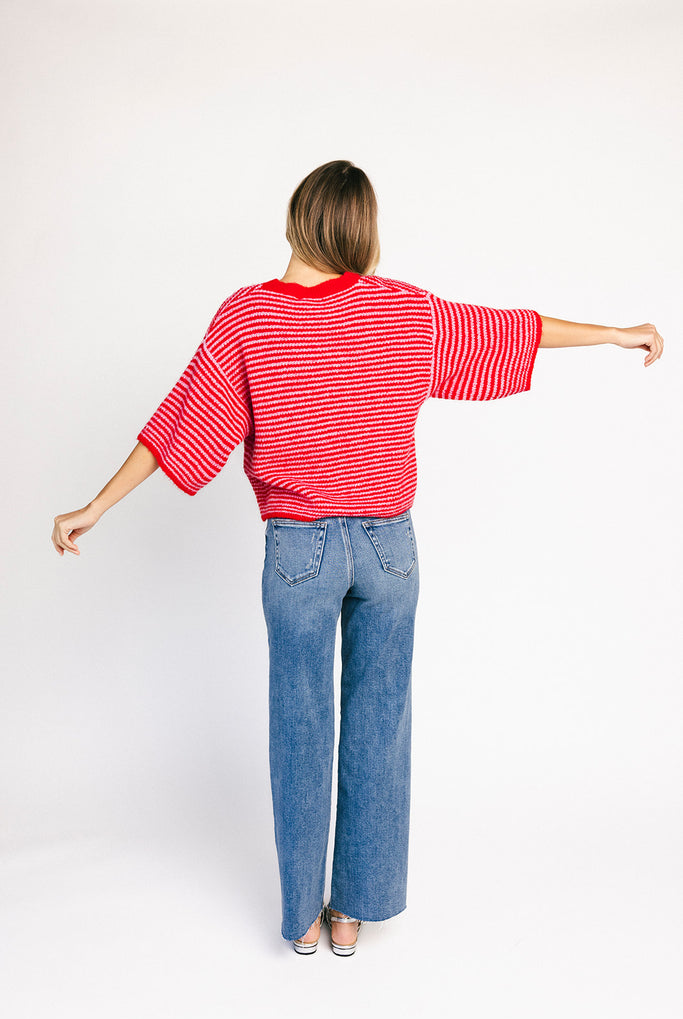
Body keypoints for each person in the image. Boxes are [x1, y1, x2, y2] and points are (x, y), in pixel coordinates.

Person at [51, 159, 664, 956]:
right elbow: (514, 329)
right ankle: (352, 913)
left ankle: (303, 918)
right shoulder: (403, 309)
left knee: (299, 731)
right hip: (389, 549)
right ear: (362, 230)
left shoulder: (247, 317)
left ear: (296, 218)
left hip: (298, 552)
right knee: (380, 725)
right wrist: (613, 332)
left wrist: (96, 505)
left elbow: (180, 424)